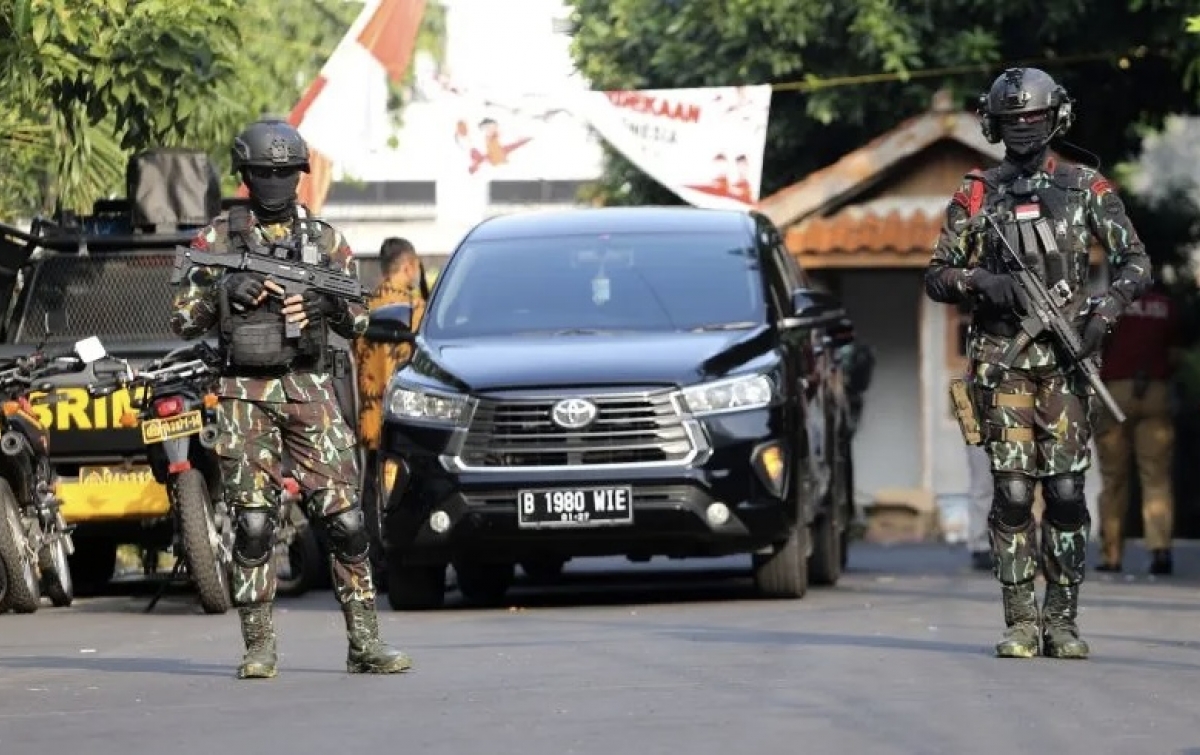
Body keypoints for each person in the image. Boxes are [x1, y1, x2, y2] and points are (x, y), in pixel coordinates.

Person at [169, 117, 412, 679]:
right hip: (242, 392)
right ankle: (257, 647)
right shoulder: (217, 241)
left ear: (298, 175)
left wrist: (325, 309)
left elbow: (358, 318)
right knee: (254, 522)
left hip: (310, 387)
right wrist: (225, 294)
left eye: (284, 172)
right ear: (247, 175)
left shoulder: (325, 241)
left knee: (346, 520)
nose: (275, 182)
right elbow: (182, 318)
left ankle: (365, 642)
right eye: (265, 172)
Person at [925, 67, 1150, 659]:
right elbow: (937, 274)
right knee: (1015, 493)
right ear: (992, 124)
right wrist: (981, 281)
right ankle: (1022, 620)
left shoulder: (1086, 187)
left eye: (1032, 119)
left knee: (1069, 491)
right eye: (1011, 121)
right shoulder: (976, 193)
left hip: (1070, 362)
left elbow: (1136, 262)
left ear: (1056, 119)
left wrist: (1103, 314)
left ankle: (1064, 619)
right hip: (1003, 362)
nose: (1023, 130)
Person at [353, 237, 429, 586]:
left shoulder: (363, 307)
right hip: (407, 418)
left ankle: (376, 567)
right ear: (409, 265)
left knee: (371, 493)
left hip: (370, 417)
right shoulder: (417, 308)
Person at [1094, 278, 1181, 574]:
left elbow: (1093, 342)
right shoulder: (1165, 306)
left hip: (1115, 392)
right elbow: (1176, 353)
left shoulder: (1110, 302)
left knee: (1113, 479)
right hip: (1155, 390)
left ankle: (1112, 555)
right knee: (1156, 476)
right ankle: (1160, 550)